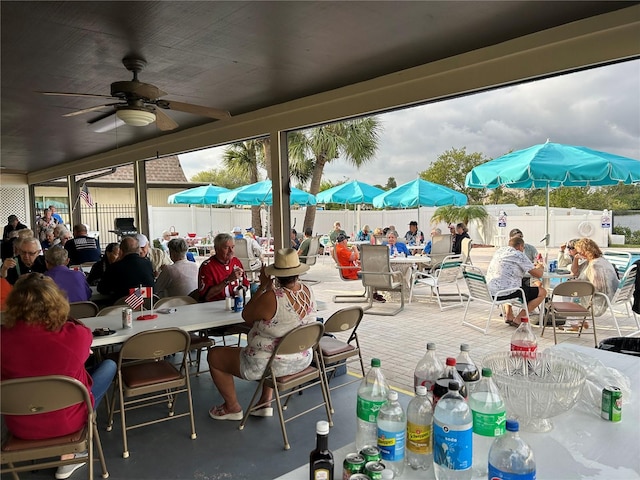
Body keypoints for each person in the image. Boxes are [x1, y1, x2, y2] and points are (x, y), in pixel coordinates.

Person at [1, 273, 117, 480]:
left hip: (21, 425)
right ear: (57, 301)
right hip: (68, 422)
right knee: (108, 366)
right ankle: (70, 453)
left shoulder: (3, 339)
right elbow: (83, 333)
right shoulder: (75, 335)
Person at [206, 248, 316, 420]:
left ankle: (232, 407)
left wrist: (262, 287)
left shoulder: (272, 297)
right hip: (302, 358)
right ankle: (265, 401)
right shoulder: (308, 291)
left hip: (268, 364)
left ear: (276, 274)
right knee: (272, 345)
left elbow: (246, 315)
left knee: (214, 355)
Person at [486, 236, 546, 326]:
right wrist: (540, 267)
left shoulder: (499, 251)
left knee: (509, 282)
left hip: (490, 291)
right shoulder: (518, 254)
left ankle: (509, 315)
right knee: (542, 292)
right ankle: (519, 319)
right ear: (520, 246)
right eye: (523, 248)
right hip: (503, 293)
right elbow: (538, 274)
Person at [570, 238, 619, 317]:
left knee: (568, 292)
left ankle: (576, 321)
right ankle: (579, 321)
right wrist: (575, 259)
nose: (578, 253)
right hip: (611, 295)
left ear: (585, 251)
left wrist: (577, 285)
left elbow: (596, 287)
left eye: (579, 251)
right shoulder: (598, 260)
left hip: (600, 299)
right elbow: (574, 272)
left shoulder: (595, 265)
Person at [97, 236, 154, 303]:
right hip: (146, 306)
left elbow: (102, 289)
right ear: (138, 250)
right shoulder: (148, 264)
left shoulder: (114, 267)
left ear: (120, 252)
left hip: (121, 308)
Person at [334, 233, 386, 302]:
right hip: (350, 273)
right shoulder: (341, 250)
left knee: (370, 270)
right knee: (372, 274)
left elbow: (349, 259)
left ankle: (373, 293)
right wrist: (355, 248)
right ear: (344, 241)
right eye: (347, 240)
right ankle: (373, 294)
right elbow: (357, 257)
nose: (347, 241)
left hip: (350, 269)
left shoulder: (338, 248)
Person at [198, 233, 249, 302]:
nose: (231, 251)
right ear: (216, 249)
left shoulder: (236, 261)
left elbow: (245, 283)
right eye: (226, 248)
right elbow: (206, 296)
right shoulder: (207, 267)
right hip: (213, 307)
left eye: (232, 247)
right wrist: (228, 280)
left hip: (236, 304)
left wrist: (241, 290)